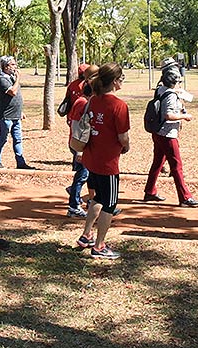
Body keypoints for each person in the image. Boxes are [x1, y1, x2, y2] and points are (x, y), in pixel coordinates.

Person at [76, 63, 129, 259]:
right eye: (121, 79)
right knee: (110, 203)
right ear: (115, 81)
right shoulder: (119, 105)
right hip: (108, 163)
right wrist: (127, 147)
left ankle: (86, 235)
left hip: (92, 158)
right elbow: (123, 137)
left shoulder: (92, 100)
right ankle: (99, 246)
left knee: (97, 198)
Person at [143, 67, 198, 207]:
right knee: (176, 166)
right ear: (174, 82)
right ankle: (185, 197)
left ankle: (150, 191)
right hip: (168, 135)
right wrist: (184, 116)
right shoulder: (171, 95)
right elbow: (168, 115)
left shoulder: (161, 90)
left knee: (157, 163)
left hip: (158, 133)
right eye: (179, 81)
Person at [0, 55, 34, 169]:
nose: (15, 66)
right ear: (6, 66)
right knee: (3, 139)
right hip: (6, 116)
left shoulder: (11, 78)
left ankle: (20, 163)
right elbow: (13, 92)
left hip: (16, 115)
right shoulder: (1, 79)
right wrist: (18, 79)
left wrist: (20, 111)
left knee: (18, 139)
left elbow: (16, 97)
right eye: (13, 64)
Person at [65, 78, 92, 218]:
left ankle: (88, 200)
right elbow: (76, 125)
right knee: (83, 174)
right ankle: (74, 206)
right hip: (79, 145)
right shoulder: (83, 103)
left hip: (82, 144)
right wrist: (79, 150)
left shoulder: (83, 101)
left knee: (88, 174)